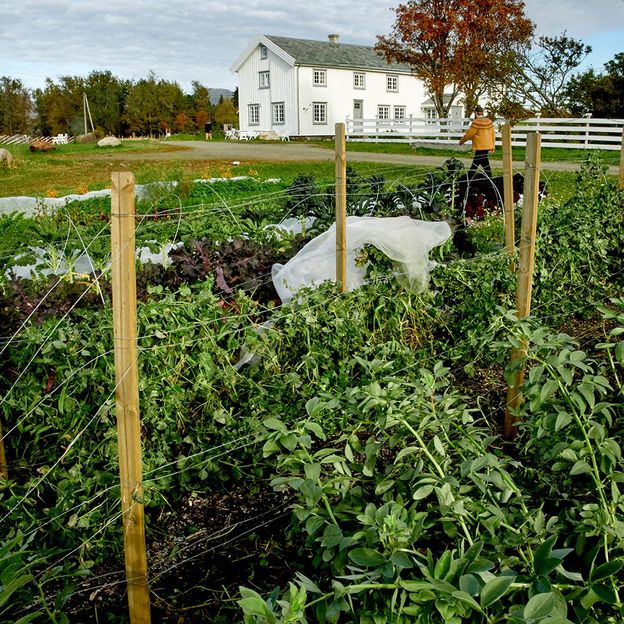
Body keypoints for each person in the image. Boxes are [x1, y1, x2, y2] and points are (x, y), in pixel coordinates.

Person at [459, 105, 495, 178]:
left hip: (480, 147)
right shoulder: (489, 122)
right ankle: (490, 179)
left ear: (475, 113)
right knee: (484, 163)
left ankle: (469, 178)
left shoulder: (476, 122)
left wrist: (461, 142)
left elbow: (469, 134)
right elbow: (493, 135)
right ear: (482, 113)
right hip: (487, 146)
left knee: (476, 164)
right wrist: (493, 146)